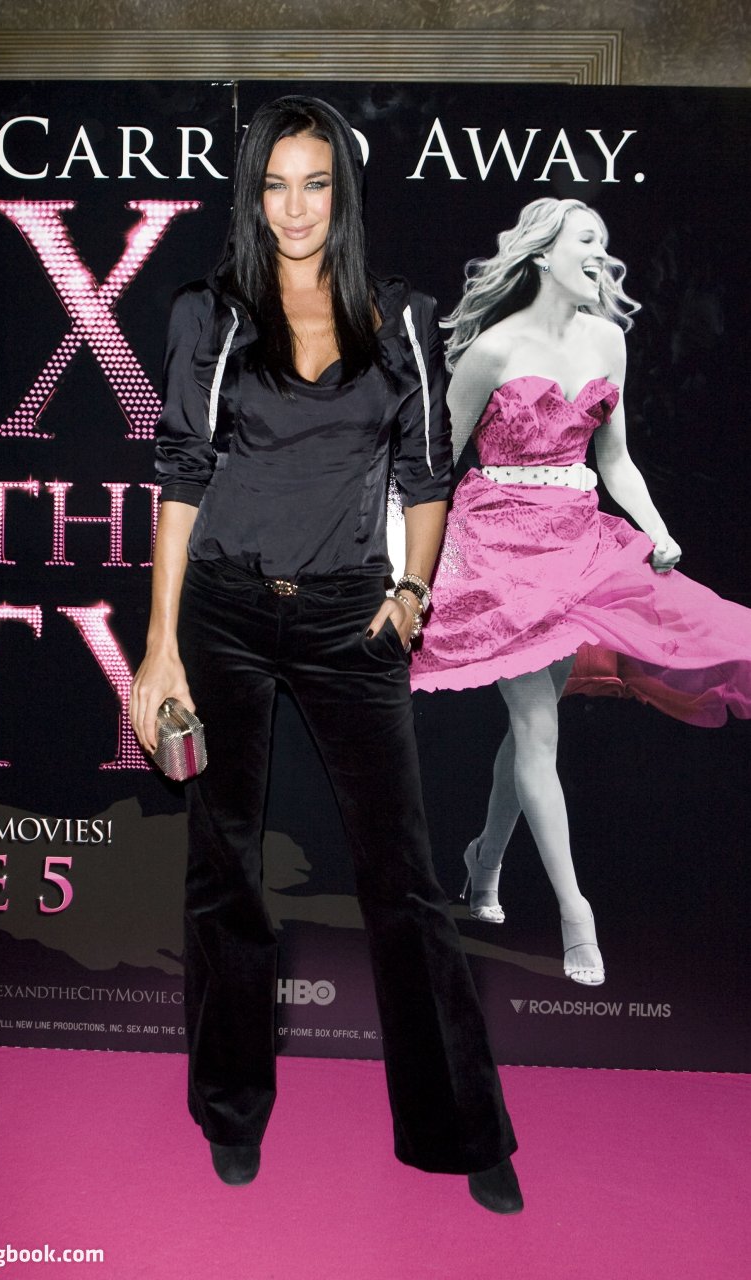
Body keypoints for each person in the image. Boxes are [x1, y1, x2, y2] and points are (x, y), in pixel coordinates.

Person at [129, 96, 521, 1212]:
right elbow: (180, 480)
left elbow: (428, 476)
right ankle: (229, 1108)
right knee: (224, 869)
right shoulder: (209, 314)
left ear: (342, 194)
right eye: (275, 185)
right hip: (225, 615)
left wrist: (411, 593)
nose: (295, 208)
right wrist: (159, 651)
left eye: (315, 184)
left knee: (403, 879)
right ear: (251, 196)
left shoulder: (401, 317)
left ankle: (460, 1127)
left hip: (352, 617)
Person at [410, 197, 751, 986]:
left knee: (534, 730)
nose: (599, 252)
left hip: (577, 541)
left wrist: (656, 529)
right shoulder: (492, 350)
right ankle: (576, 915)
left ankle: (483, 862)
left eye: (602, 240)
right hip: (498, 550)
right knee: (536, 729)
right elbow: (433, 463)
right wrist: (409, 568)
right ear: (541, 255)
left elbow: (614, 459)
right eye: (584, 240)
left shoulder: (607, 339)